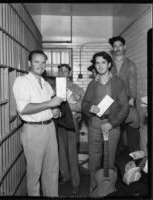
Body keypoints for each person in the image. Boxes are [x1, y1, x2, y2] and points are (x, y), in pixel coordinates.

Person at [13, 50, 63, 196]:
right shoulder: (22, 81)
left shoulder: (46, 83)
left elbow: (50, 106)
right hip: (33, 130)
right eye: (37, 61)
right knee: (34, 174)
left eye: (43, 62)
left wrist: (55, 112)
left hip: (50, 128)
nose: (40, 65)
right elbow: (24, 108)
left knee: (52, 170)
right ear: (29, 63)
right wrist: (49, 103)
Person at [81, 51, 129, 196]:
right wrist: (90, 108)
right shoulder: (92, 84)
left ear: (109, 64)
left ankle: (107, 191)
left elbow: (124, 107)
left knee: (109, 160)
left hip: (111, 126)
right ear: (94, 66)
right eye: (97, 63)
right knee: (94, 160)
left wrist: (112, 124)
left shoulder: (118, 83)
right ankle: (94, 190)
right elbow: (84, 104)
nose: (100, 65)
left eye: (103, 62)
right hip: (95, 124)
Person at [109, 36, 140, 153]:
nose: (117, 48)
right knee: (114, 128)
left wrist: (132, 98)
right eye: (115, 46)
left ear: (124, 47)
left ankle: (135, 156)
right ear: (113, 49)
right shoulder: (109, 63)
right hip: (111, 100)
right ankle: (116, 157)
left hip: (127, 99)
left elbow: (133, 83)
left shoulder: (130, 64)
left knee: (133, 125)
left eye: (119, 46)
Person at [57, 64, 85, 194]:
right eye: (60, 70)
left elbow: (82, 107)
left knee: (72, 153)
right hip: (58, 123)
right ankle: (66, 176)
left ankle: (76, 183)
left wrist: (68, 106)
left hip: (72, 123)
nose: (63, 73)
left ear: (69, 73)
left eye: (65, 71)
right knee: (61, 152)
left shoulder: (77, 88)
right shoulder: (54, 88)